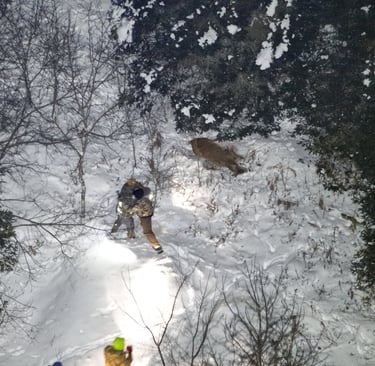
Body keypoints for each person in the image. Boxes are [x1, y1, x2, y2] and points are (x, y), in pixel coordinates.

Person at [111, 178, 163, 253]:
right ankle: (116, 230)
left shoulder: (140, 203)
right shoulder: (144, 194)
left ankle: (157, 247)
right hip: (145, 213)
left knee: (147, 232)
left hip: (145, 216)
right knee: (122, 220)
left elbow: (131, 209)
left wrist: (126, 208)